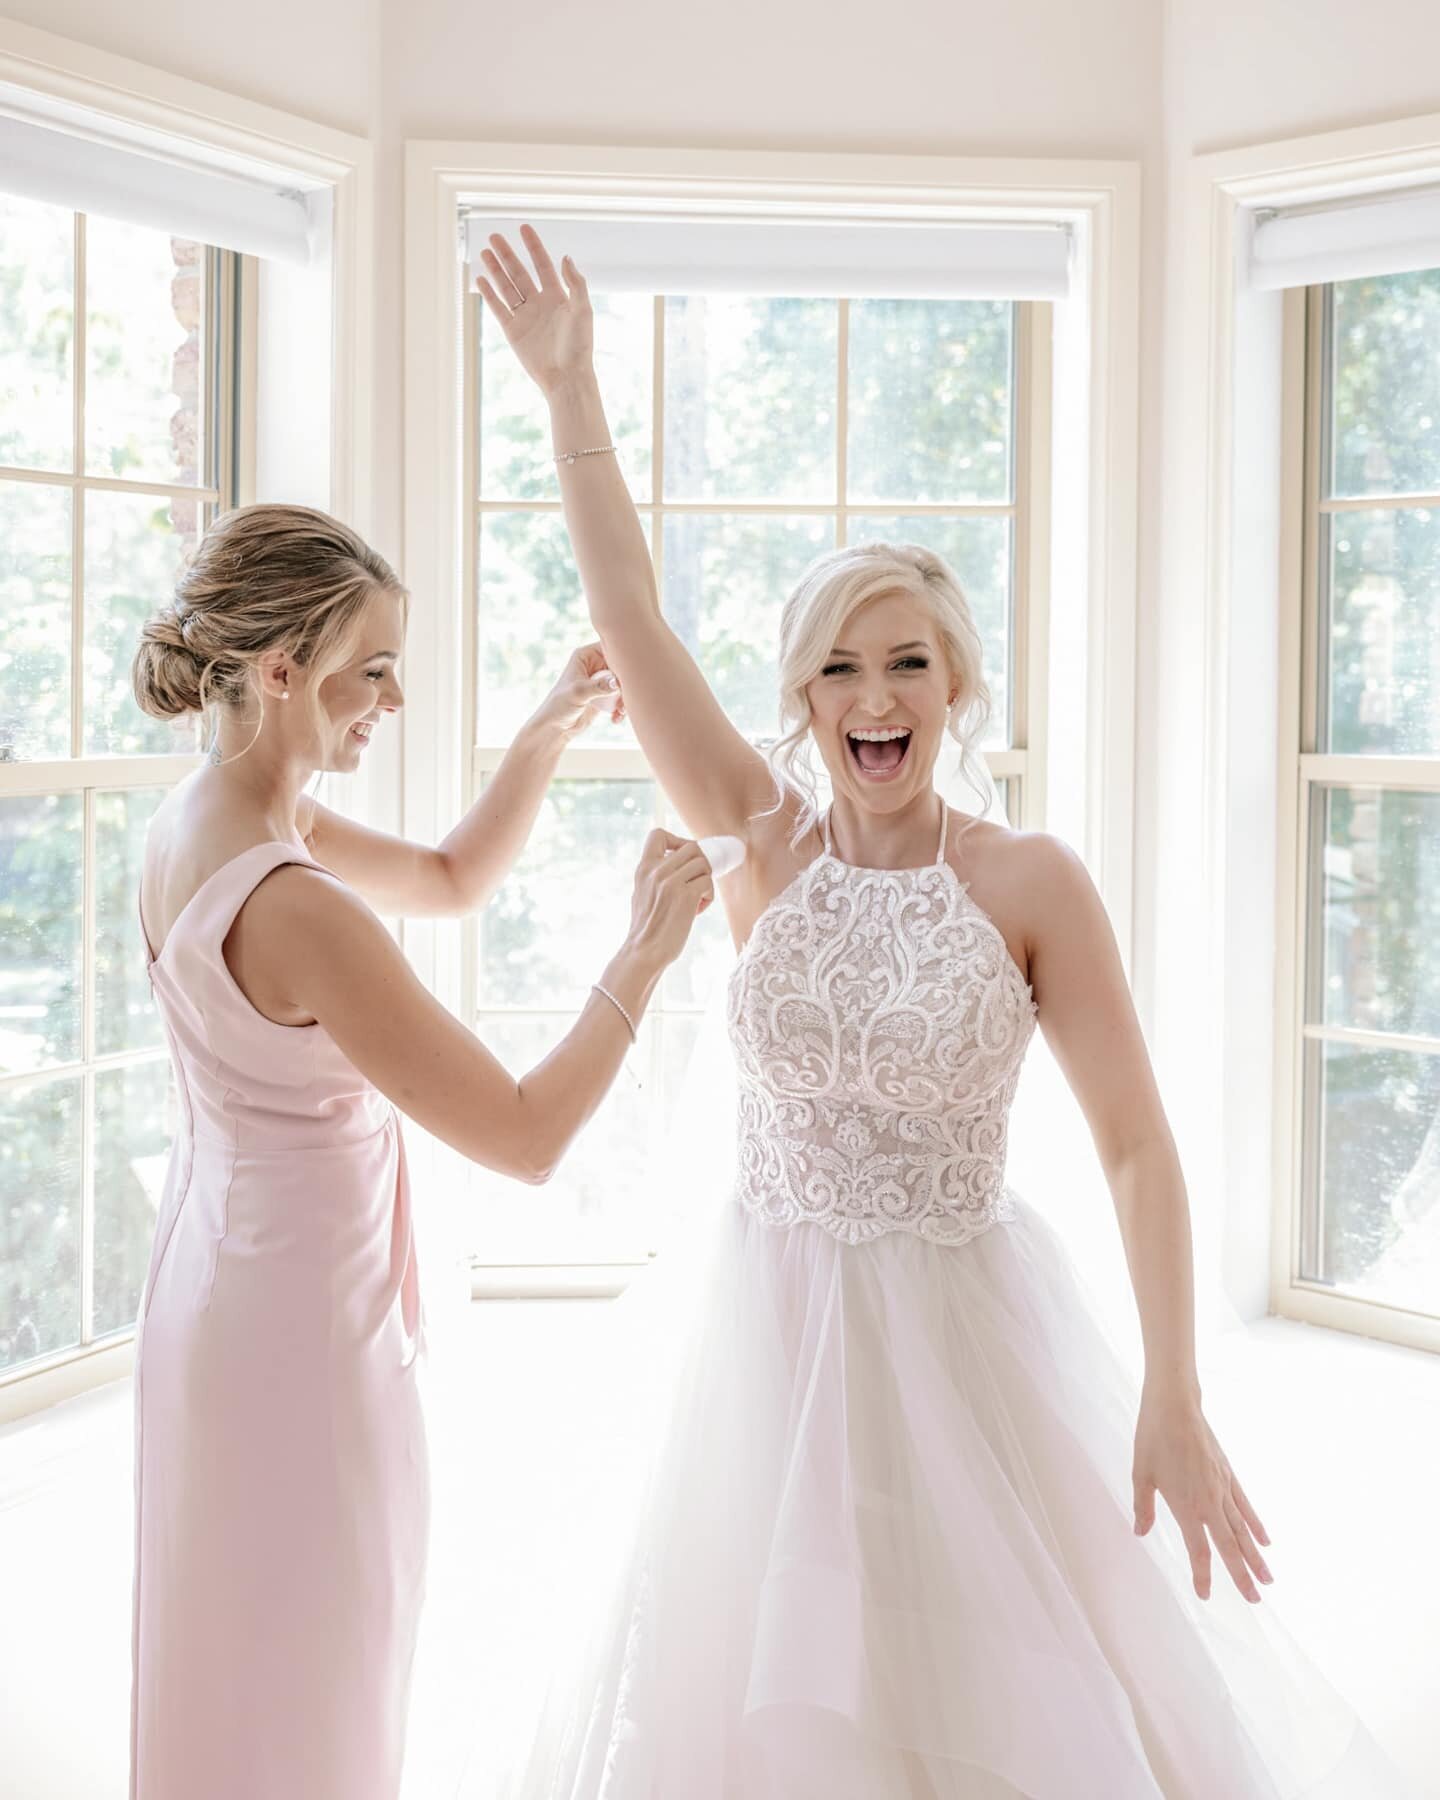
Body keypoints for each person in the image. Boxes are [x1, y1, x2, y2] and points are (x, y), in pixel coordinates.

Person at [473, 226, 1413, 1798]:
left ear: (956, 689)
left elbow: (1133, 1146)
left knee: (986, 1695)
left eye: (909, 663)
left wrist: (1175, 1392)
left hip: (969, 1338)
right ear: (807, 702)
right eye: (840, 670)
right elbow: (628, 604)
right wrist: (571, 387)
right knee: (772, 1700)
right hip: (761, 1344)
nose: (876, 695)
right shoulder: (755, 835)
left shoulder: (1031, 881)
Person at [126, 502, 712, 1800]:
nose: (393, 697)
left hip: (222, 1300)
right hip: (296, 1344)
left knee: (240, 1676)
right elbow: (524, 1136)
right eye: (371, 668)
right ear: (281, 672)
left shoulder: (209, 820)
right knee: (316, 1679)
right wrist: (645, 948)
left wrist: (549, 730)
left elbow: (451, 876)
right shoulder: (296, 907)